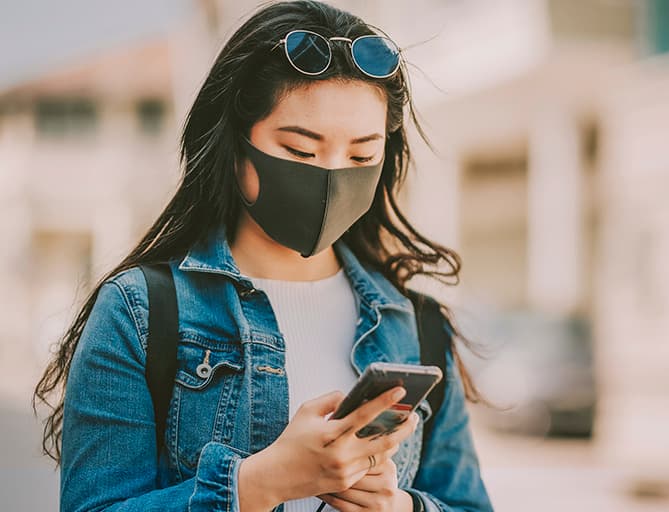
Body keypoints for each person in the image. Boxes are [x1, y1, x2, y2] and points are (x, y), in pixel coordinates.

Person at [32, 2, 493, 511]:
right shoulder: (140, 313)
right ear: (235, 146)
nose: (332, 175)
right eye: (300, 150)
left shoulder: (417, 326)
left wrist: (400, 507)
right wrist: (257, 484)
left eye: (362, 155)